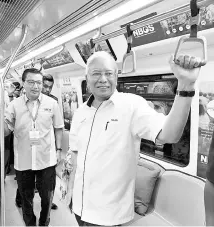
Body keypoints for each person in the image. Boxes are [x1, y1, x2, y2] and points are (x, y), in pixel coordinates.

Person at [66, 51, 204, 226]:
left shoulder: (132, 106)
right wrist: (70, 191)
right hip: (78, 204)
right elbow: (76, 155)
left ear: (116, 76)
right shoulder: (80, 113)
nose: (103, 79)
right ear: (87, 77)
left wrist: (186, 85)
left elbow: (170, 135)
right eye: (96, 73)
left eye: (108, 73)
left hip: (106, 214)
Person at [4, 68, 64, 226]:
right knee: (26, 199)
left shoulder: (52, 104)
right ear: (23, 84)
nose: (35, 86)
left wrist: (58, 150)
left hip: (47, 159)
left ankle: (44, 222)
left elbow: (58, 127)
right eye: (31, 82)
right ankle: (30, 223)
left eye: (39, 82)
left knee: (47, 197)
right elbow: (5, 131)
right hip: (23, 159)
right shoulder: (14, 105)